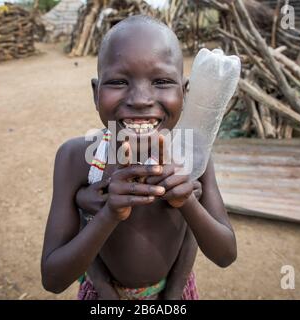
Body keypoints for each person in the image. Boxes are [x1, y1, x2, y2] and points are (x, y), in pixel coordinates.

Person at [41, 15, 237, 300]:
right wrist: (109, 214)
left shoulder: (193, 155)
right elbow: (53, 278)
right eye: (119, 82)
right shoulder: (76, 159)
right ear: (96, 93)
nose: (140, 99)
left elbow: (226, 254)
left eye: (161, 81)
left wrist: (187, 203)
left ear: (184, 92)